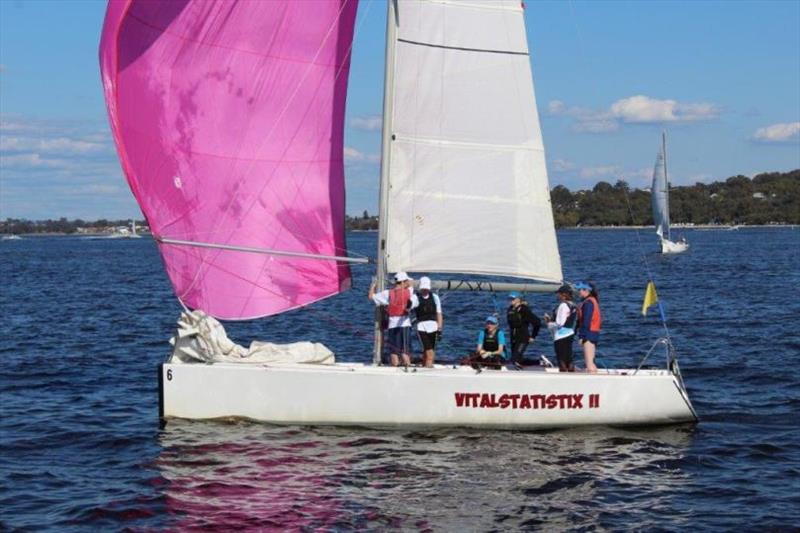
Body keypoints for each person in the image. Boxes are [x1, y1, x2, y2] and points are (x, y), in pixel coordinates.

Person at [368, 271, 414, 366]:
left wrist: (373, 285)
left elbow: (371, 296)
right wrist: (406, 283)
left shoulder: (387, 293)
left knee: (394, 351)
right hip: (404, 324)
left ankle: (394, 369)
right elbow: (410, 284)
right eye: (406, 281)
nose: (407, 283)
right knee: (405, 351)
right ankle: (408, 367)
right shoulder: (410, 291)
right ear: (403, 282)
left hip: (392, 325)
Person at [544, 285, 577, 372]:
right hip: (570, 333)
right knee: (568, 356)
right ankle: (571, 373)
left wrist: (549, 323)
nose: (557, 296)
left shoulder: (563, 305)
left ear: (564, 295)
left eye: (559, 294)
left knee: (561, 357)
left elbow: (560, 323)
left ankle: (563, 373)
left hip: (561, 335)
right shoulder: (573, 305)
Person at [412, 276, 443, 367]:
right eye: (423, 288)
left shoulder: (435, 297)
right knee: (430, 352)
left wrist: (440, 329)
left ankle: (424, 366)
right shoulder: (415, 297)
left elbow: (439, 313)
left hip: (433, 327)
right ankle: (429, 370)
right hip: (422, 327)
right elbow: (409, 304)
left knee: (428, 351)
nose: (425, 290)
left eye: (426, 288)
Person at [506, 292, 541, 366]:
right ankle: (538, 362)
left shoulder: (524, 309)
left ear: (518, 299)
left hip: (523, 338)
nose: (511, 300)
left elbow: (537, 322)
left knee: (514, 359)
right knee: (518, 359)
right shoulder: (510, 309)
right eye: (510, 298)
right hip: (513, 338)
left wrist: (533, 336)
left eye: (513, 298)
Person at [575, 281, 601, 373]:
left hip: (588, 334)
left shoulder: (588, 303)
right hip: (593, 333)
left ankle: (592, 384)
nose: (578, 292)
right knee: (591, 362)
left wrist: (582, 336)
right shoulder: (593, 301)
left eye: (580, 290)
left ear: (586, 290)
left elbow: (586, 321)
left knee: (589, 363)